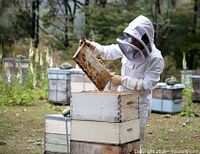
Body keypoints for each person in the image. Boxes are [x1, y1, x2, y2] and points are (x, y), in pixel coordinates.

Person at [80, 15, 164, 151]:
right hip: (121, 100)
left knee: (134, 144)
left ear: (145, 39)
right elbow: (108, 51)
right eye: (132, 38)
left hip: (139, 105)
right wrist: (92, 46)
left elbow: (148, 85)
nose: (133, 43)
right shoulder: (129, 45)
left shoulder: (156, 58)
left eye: (137, 40)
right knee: (117, 141)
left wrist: (122, 80)